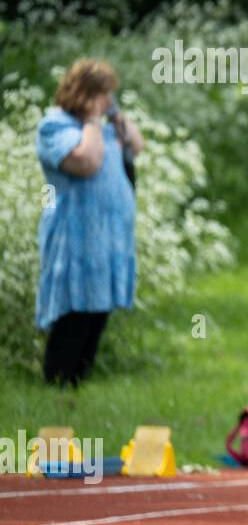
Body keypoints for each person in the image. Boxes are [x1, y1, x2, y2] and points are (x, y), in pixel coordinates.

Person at [36, 58, 144, 386]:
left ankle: (79, 378)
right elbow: (87, 162)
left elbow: (137, 146)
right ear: (85, 94)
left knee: (99, 306)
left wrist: (114, 115)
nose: (108, 101)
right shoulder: (56, 125)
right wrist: (94, 120)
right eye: (103, 94)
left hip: (109, 233)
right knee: (76, 305)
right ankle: (58, 380)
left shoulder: (105, 124)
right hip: (75, 233)